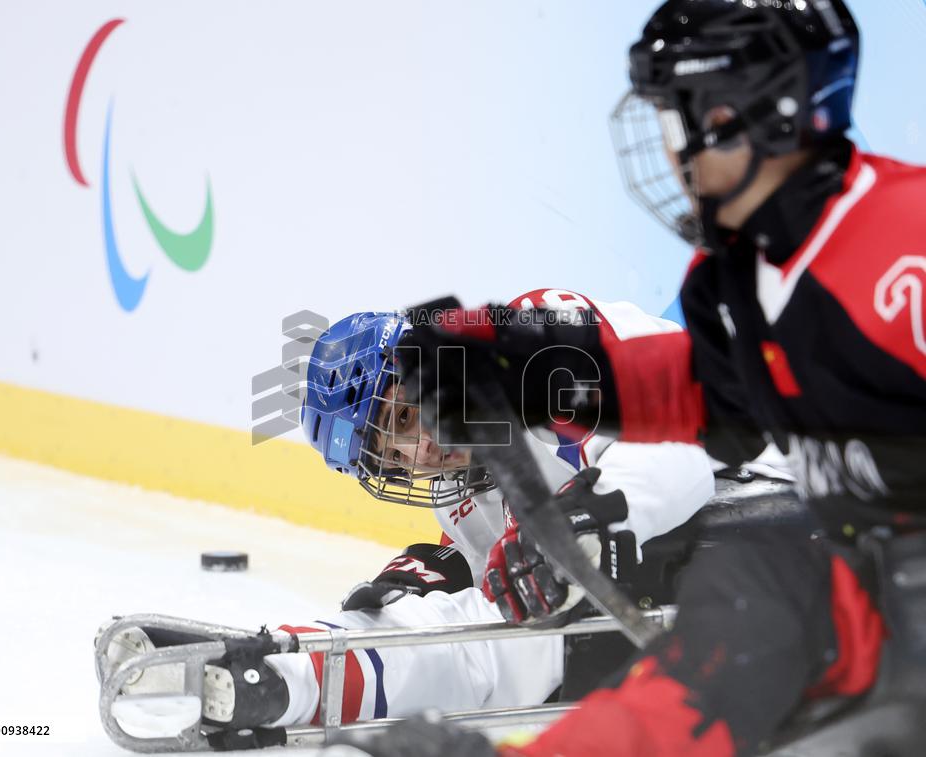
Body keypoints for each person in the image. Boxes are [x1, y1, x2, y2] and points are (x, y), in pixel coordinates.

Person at [332, 0, 926, 755]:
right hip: (850, 588)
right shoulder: (752, 274)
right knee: (729, 646)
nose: (675, 159)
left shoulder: (906, 238)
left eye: (688, 122)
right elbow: (704, 393)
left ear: (773, 117)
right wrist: (523, 366)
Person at [98, 289, 720, 733]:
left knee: (538, 633)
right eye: (390, 455)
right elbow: (509, 576)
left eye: (400, 416)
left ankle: (312, 679)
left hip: (766, 482)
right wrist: (436, 569)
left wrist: (583, 519)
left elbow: (688, 434)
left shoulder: (536, 341)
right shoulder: (463, 491)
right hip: (688, 559)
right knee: (517, 615)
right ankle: (304, 661)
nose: (420, 453)